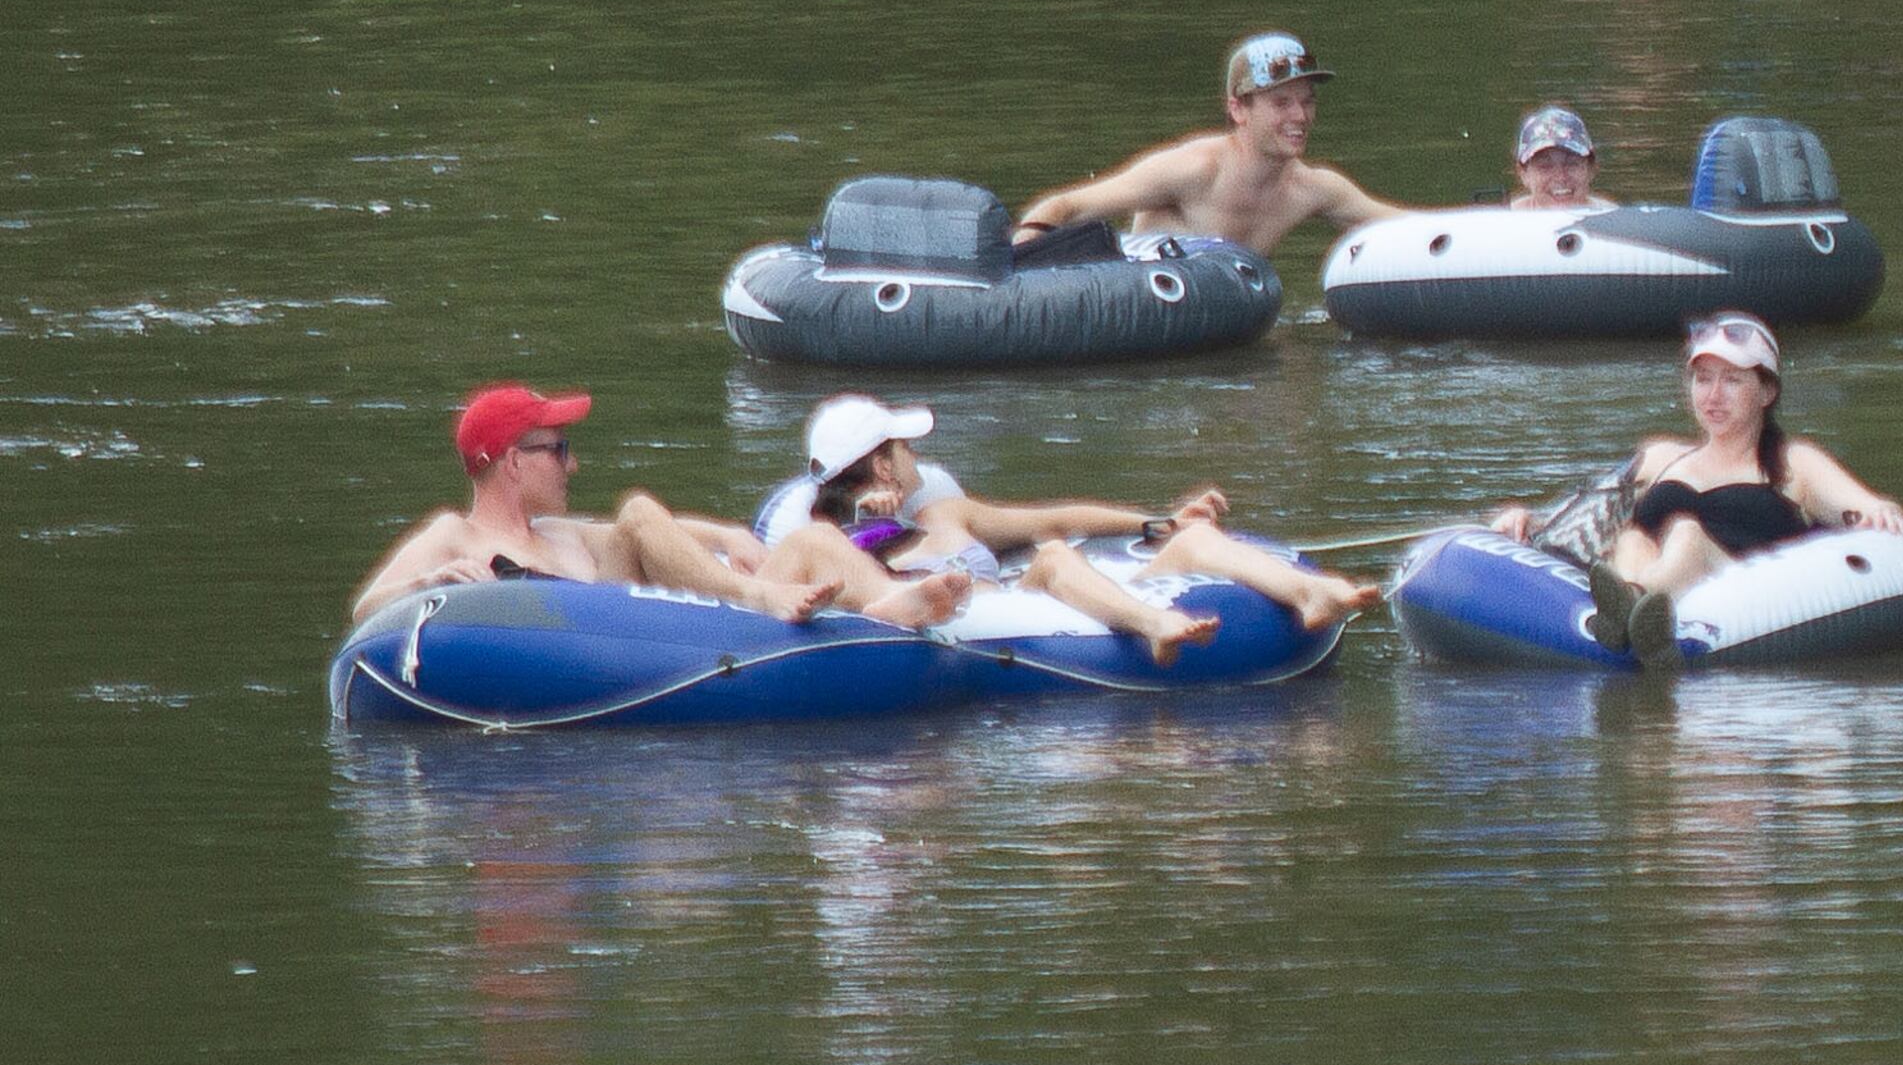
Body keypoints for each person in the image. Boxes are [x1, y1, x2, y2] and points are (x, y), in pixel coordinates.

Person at [753, 397, 1379, 652]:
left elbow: (1054, 516)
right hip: (971, 622)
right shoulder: (822, 539)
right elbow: (803, 566)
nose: (918, 457)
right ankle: (1154, 626)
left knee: (1183, 539)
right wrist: (865, 527)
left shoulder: (946, 512)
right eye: (904, 449)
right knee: (1053, 559)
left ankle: (1308, 592)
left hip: (1015, 601)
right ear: (884, 465)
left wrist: (1157, 521)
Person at [1490, 315, 1903, 667]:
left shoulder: (1792, 462)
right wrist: (1532, 520)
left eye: (1731, 381)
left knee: (1687, 534)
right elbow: (1589, 513)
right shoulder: (1660, 457)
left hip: (1737, 587)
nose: (1713, 396)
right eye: (1703, 379)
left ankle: (1633, 608)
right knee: (1634, 536)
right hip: (1644, 577)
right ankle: (1630, 614)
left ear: (1767, 391)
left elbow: (1862, 505)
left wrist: (1878, 510)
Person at [350, 384, 830, 626]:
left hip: (634, 642)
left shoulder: (561, 532)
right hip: (578, 651)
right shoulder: (456, 535)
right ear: (514, 463)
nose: (573, 464)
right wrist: (427, 583)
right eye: (559, 450)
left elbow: (649, 530)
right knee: (638, 507)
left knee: (818, 539)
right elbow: (366, 610)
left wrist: (726, 535)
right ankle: (758, 600)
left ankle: (889, 607)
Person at [1012, 32, 1400, 265]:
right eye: (1281, 103)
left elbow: (1401, 224)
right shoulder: (1193, 170)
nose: (1300, 115)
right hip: (1145, 314)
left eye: (1307, 100)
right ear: (1238, 109)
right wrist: (1016, 258)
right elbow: (1066, 207)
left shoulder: (1313, 189)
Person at [1508, 104, 1618, 210]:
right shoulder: (1503, 222)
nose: (1560, 177)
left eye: (1571, 164)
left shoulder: (1614, 220)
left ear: (1591, 168)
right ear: (1523, 174)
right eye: (1545, 166)